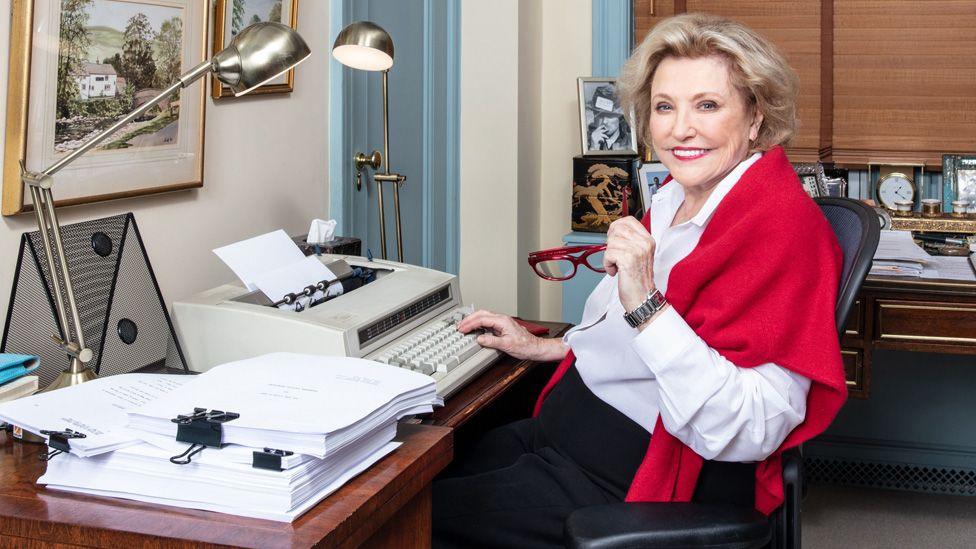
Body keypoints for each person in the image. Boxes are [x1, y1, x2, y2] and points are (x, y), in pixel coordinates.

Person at [433, 13, 847, 549]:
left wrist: (646, 303)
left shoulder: (783, 229)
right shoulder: (676, 196)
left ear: (755, 118)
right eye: (664, 107)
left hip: (626, 472)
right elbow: (631, 344)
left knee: (412, 518)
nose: (680, 129)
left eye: (708, 105)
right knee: (426, 469)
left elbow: (753, 428)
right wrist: (545, 347)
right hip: (563, 428)